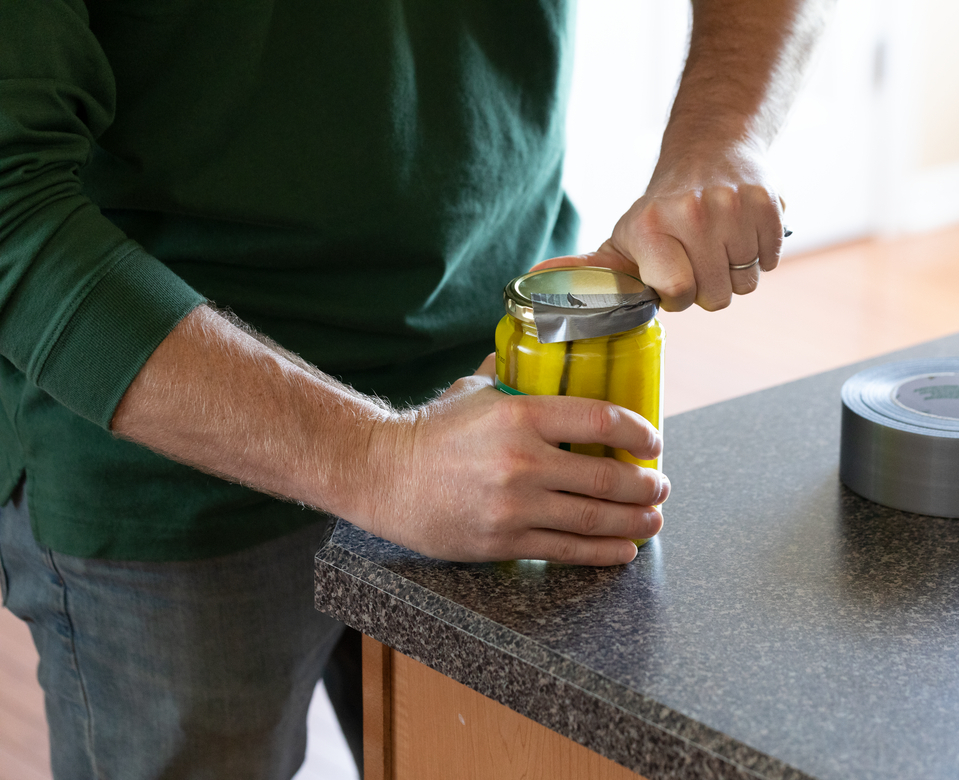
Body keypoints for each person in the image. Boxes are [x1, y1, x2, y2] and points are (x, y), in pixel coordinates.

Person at [0, 0, 832, 777]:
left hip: (494, 402)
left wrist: (720, 137)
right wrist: (380, 462)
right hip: (168, 458)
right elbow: (12, 208)